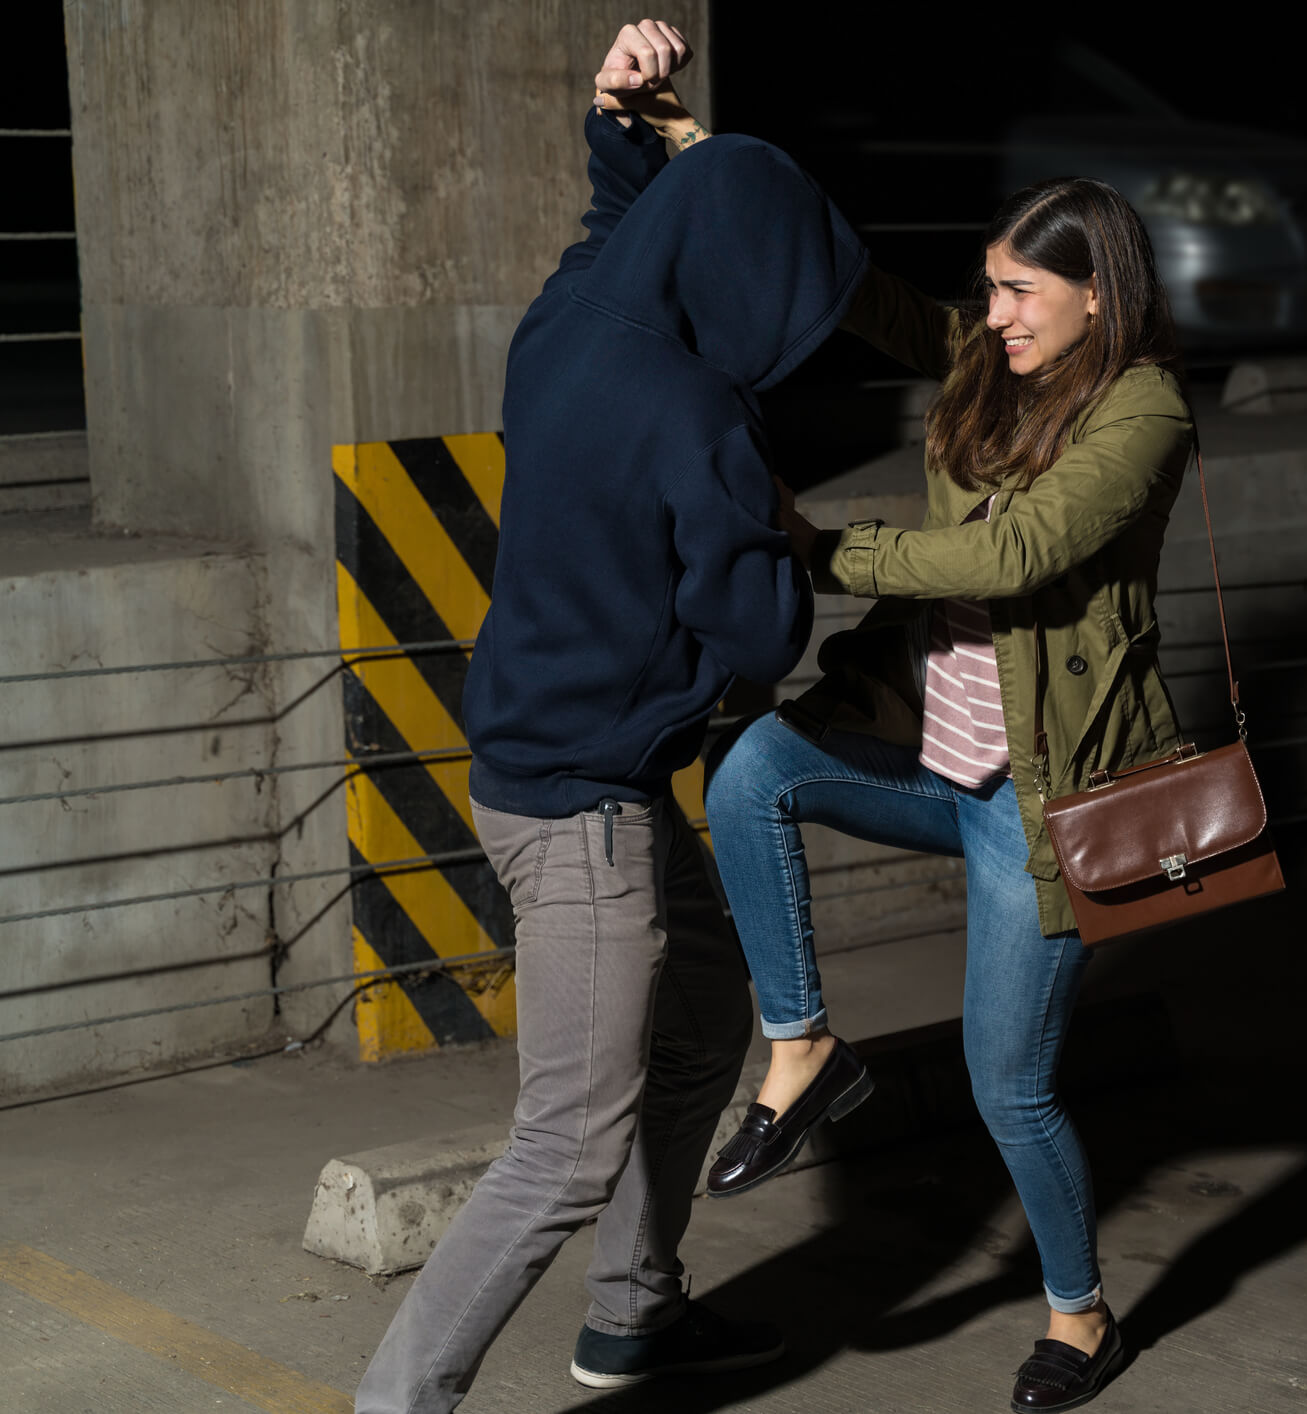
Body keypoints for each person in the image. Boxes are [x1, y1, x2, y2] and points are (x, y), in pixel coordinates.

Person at [354, 21, 870, 1412]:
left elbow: (614, 228)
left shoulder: (567, 318)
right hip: (583, 814)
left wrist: (619, 115)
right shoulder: (701, 414)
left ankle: (635, 1313)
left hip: (566, 773)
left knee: (702, 1028)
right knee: (565, 1150)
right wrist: (780, 529)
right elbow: (759, 637)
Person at [695, 142, 1195, 1410]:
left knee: (1009, 1091)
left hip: (1039, 803)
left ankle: (1080, 1316)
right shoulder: (990, 356)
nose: (997, 314)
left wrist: (822, 548)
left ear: (1098, 293)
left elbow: (1015, 552)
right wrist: (710, 157)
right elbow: (864, 291)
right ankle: (803, 1048)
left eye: (1023, 290)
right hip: (932, 760)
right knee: (752, 771)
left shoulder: (1142, 409)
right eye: (989, 286)